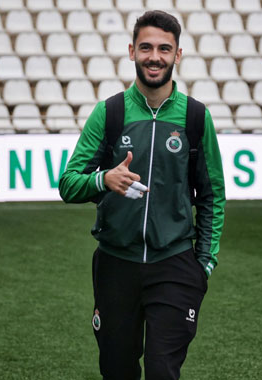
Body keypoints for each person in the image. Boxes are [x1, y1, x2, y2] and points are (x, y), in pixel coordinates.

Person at [58, 10, 225, 380]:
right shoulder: (109, 113)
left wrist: (204, 264)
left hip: (176, 263)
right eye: (146, 47)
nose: (155, 56)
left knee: (163, 370)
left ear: (177, 55)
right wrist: (103, 180)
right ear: (132, 51)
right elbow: (68, 183)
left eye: (165, 49)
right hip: (117, 263)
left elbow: (212, 196)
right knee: (117, 370)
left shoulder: (196, 118)